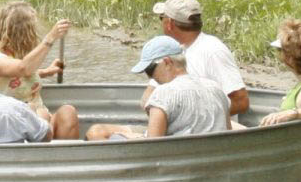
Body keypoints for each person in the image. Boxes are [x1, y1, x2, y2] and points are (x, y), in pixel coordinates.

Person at [86, 37, 231, 139]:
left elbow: (153, 146)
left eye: (150, 70)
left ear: (167, 62)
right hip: (211, 161)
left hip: (174, 162)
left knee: (111, 136)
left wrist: (132, 137)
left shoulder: (163, 93)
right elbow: (227, 133)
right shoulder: (215, 88)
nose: (150, 77)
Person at [151, 0, 248, 117]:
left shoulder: (213, 51)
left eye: (161, 18)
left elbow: (241, 102)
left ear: (169, 23)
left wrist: (195, 118)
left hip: (206, 133)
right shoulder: (172, 50)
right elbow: (149, 95)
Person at [0, 2, 71, 120]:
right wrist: (50, 37)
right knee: (40, 115)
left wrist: (46, 72)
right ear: (23, 32)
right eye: (32, 28)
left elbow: (19, 76)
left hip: (40, 116)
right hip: (15, 120)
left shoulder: (18, 56)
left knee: (68, 112)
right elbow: (23, 69)